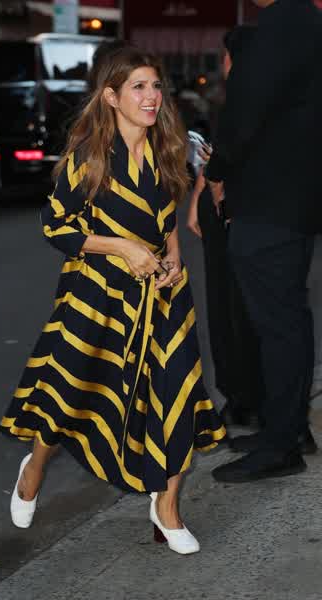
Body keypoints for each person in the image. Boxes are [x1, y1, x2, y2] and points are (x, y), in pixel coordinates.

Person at [0, 46, 225, 554]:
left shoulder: (167, 148)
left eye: (155, 86)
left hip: (163, 297)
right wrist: (122, 247)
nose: (151, 97)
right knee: (71, 392)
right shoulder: (89, 157)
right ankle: (34, 467)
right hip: (97, 296)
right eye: (138, 87)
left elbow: (165, 219)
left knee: (177, 391)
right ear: (110, 96)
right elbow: (56, 227)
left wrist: (173, 257)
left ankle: (166, 506)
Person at [205, 0, 322, 483]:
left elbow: (246, 108)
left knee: (279, 325)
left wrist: (216, 170)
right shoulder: (306, 22)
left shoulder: (284, 23)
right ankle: (286, 429)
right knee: (286, 321)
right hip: (292, 199)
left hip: (271, 201)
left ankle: (281, 444)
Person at [187, 25, 262, 428]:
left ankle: (242, 398)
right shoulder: (251, 96)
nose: (223, 63)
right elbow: (217, 154)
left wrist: (211, 192)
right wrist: (200, 194)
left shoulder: (245, 97)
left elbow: (226, 159)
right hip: (228, 207)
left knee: (233, 308)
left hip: (234, 208)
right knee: (232, 306)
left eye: (225, 55)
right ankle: (241, 396)